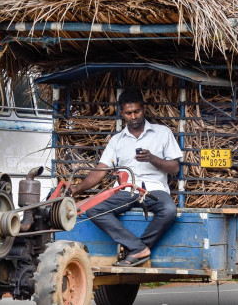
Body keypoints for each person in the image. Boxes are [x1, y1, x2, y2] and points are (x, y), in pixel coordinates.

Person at [70, 89, 182, 267]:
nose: (133, 116)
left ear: (143, 109)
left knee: (169, 211)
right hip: (126, 191)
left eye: (137, 111)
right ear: (122, 113)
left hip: (154, 190)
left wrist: (151, 158)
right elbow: (101, 170)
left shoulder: (162, 133)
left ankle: (138, 249)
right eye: (129, 113)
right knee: (94, 209)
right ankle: (137, 248)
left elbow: (175, 167)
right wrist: (77, 189)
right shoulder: (117, 140)